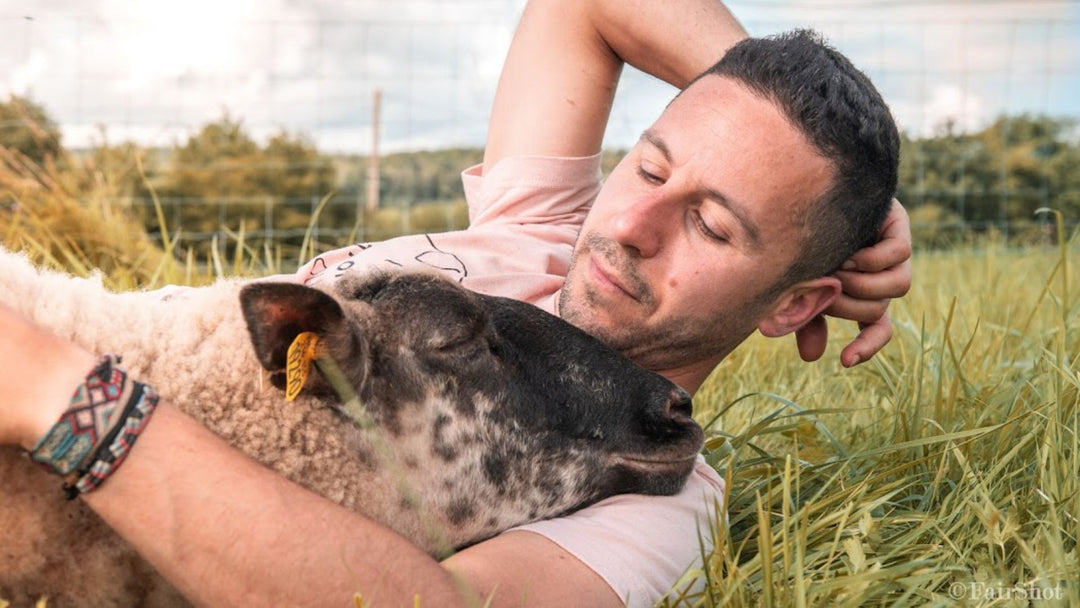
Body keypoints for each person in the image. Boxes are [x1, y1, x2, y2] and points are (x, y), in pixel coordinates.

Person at [0, 0, 912, 605]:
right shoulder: (545, 227)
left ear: (796, 306)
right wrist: (786, 135)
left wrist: (65, 397)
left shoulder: (651, 476)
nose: (632, 224)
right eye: (652, 165)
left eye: (711, 226)